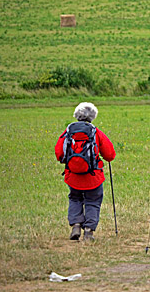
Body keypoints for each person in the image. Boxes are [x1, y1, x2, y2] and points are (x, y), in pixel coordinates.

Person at [55, 102, 116, 241]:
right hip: (93, 176)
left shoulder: (69, 131)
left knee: (75, 198)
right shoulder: (96, 132)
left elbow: (59, 153)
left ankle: (76, 225)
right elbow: (110, 155)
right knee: (93, 201)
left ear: (77, 115)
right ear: (93, 116)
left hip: (73, 175)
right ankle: (88, 231)